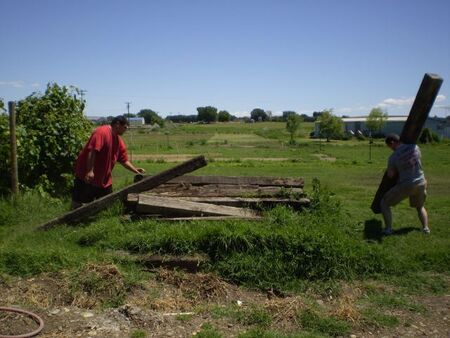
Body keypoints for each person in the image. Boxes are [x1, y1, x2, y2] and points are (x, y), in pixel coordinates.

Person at [71, 115, 145, 209]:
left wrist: (136, 170)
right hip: (87, 175)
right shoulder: (102, 132)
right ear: (117, 124)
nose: (126, 130)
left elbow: (124, 160)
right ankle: (71, 221)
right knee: (78, 204)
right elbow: (92, 151)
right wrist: (90, 170)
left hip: (103, 179)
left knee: (107, 206)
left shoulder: (118, 141)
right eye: (125, 127)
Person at [380, 133, 430, 235]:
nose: (390, 149)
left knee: (384, 203)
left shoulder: (393, 157)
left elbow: (390, 175)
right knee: (420, 206)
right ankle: (426, 228)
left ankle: (388, 229)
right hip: (421, 182)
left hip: (407, 184)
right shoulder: (415, 147)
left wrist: (390, 168)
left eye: (389, 146)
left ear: (393, 143)